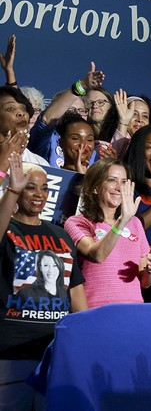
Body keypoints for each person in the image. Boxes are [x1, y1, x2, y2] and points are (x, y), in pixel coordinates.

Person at [0, 152, 87, 409]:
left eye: (45, 188)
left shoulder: (60, 235)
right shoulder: (8, 229)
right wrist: (12, 192)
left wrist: (84, 337)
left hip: (55, 352)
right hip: (11, 351)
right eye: (30, 187)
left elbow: (76, 292)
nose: (39, 194)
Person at [64, 158, 151, 308]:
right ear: (95, 187)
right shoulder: (77, 222)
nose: (119, 188)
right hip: (96, 310)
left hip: (133, 310)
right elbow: (97, 255)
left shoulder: (134, 223)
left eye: (123, 182)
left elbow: (145, 283)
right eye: (112, 180)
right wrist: (122, 221)